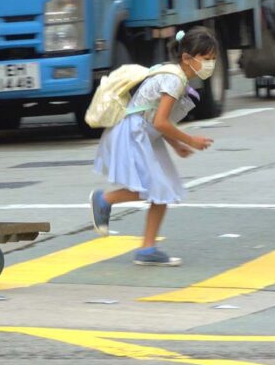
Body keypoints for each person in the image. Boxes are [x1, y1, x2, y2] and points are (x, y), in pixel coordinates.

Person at [89, 27, 216, 266]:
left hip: (146, 133)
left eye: (212, 59)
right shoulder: (174, 79)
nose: (210, 64)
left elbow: (156, 117)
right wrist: (190, 141)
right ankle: (104, 199)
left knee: (163, 189)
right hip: (134, 133)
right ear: (187, 58)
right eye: (206, 59)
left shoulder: (173, 75)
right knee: (152, 187)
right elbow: (160, 121)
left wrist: (176, 144)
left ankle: (147, 249)